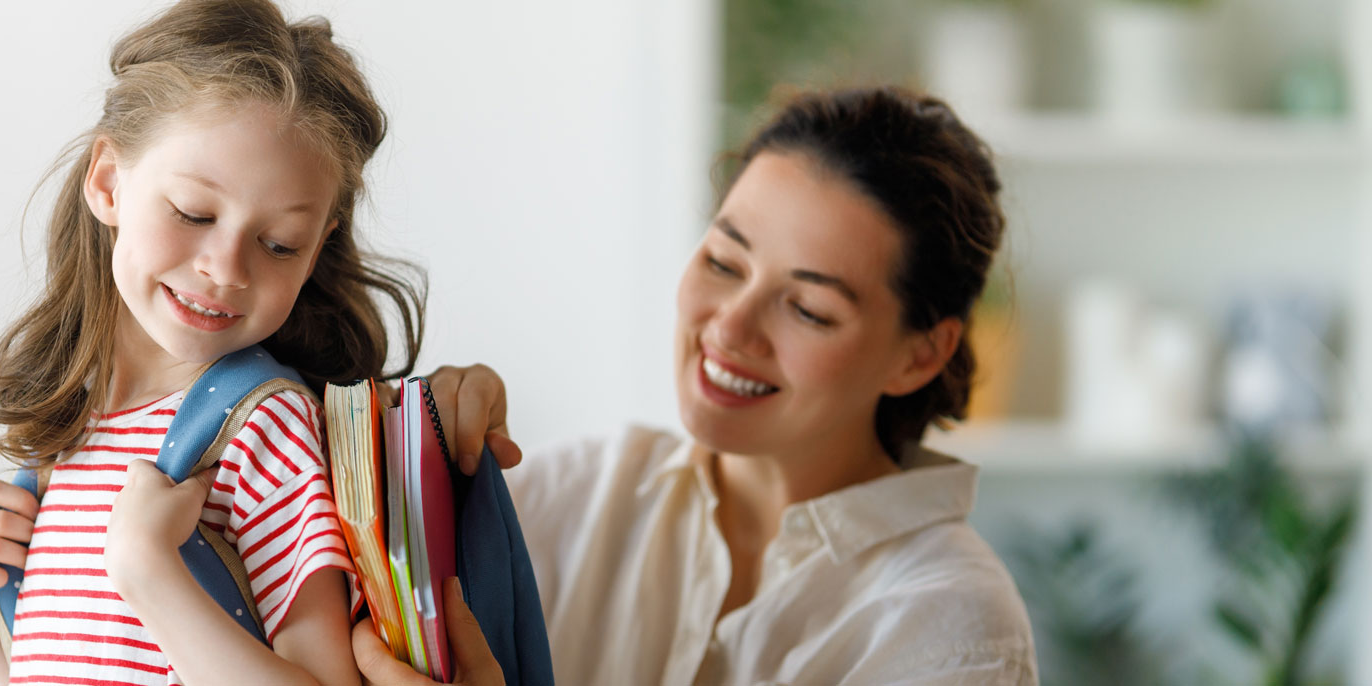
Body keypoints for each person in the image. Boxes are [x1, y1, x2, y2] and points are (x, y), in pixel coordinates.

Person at [357, 87, 1039, 685]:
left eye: (809, 310)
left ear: (921, 355)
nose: (732, 326)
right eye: (723, 262)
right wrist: (417, 457)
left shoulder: (953, 627)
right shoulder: (569, 499)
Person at [0, 2, 426, 684]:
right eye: (193, 212)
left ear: (315, 250)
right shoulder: (69, 437)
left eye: (279, 244)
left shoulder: (264, 429)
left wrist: (151, 573)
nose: (227, 268)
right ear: (108, 183)